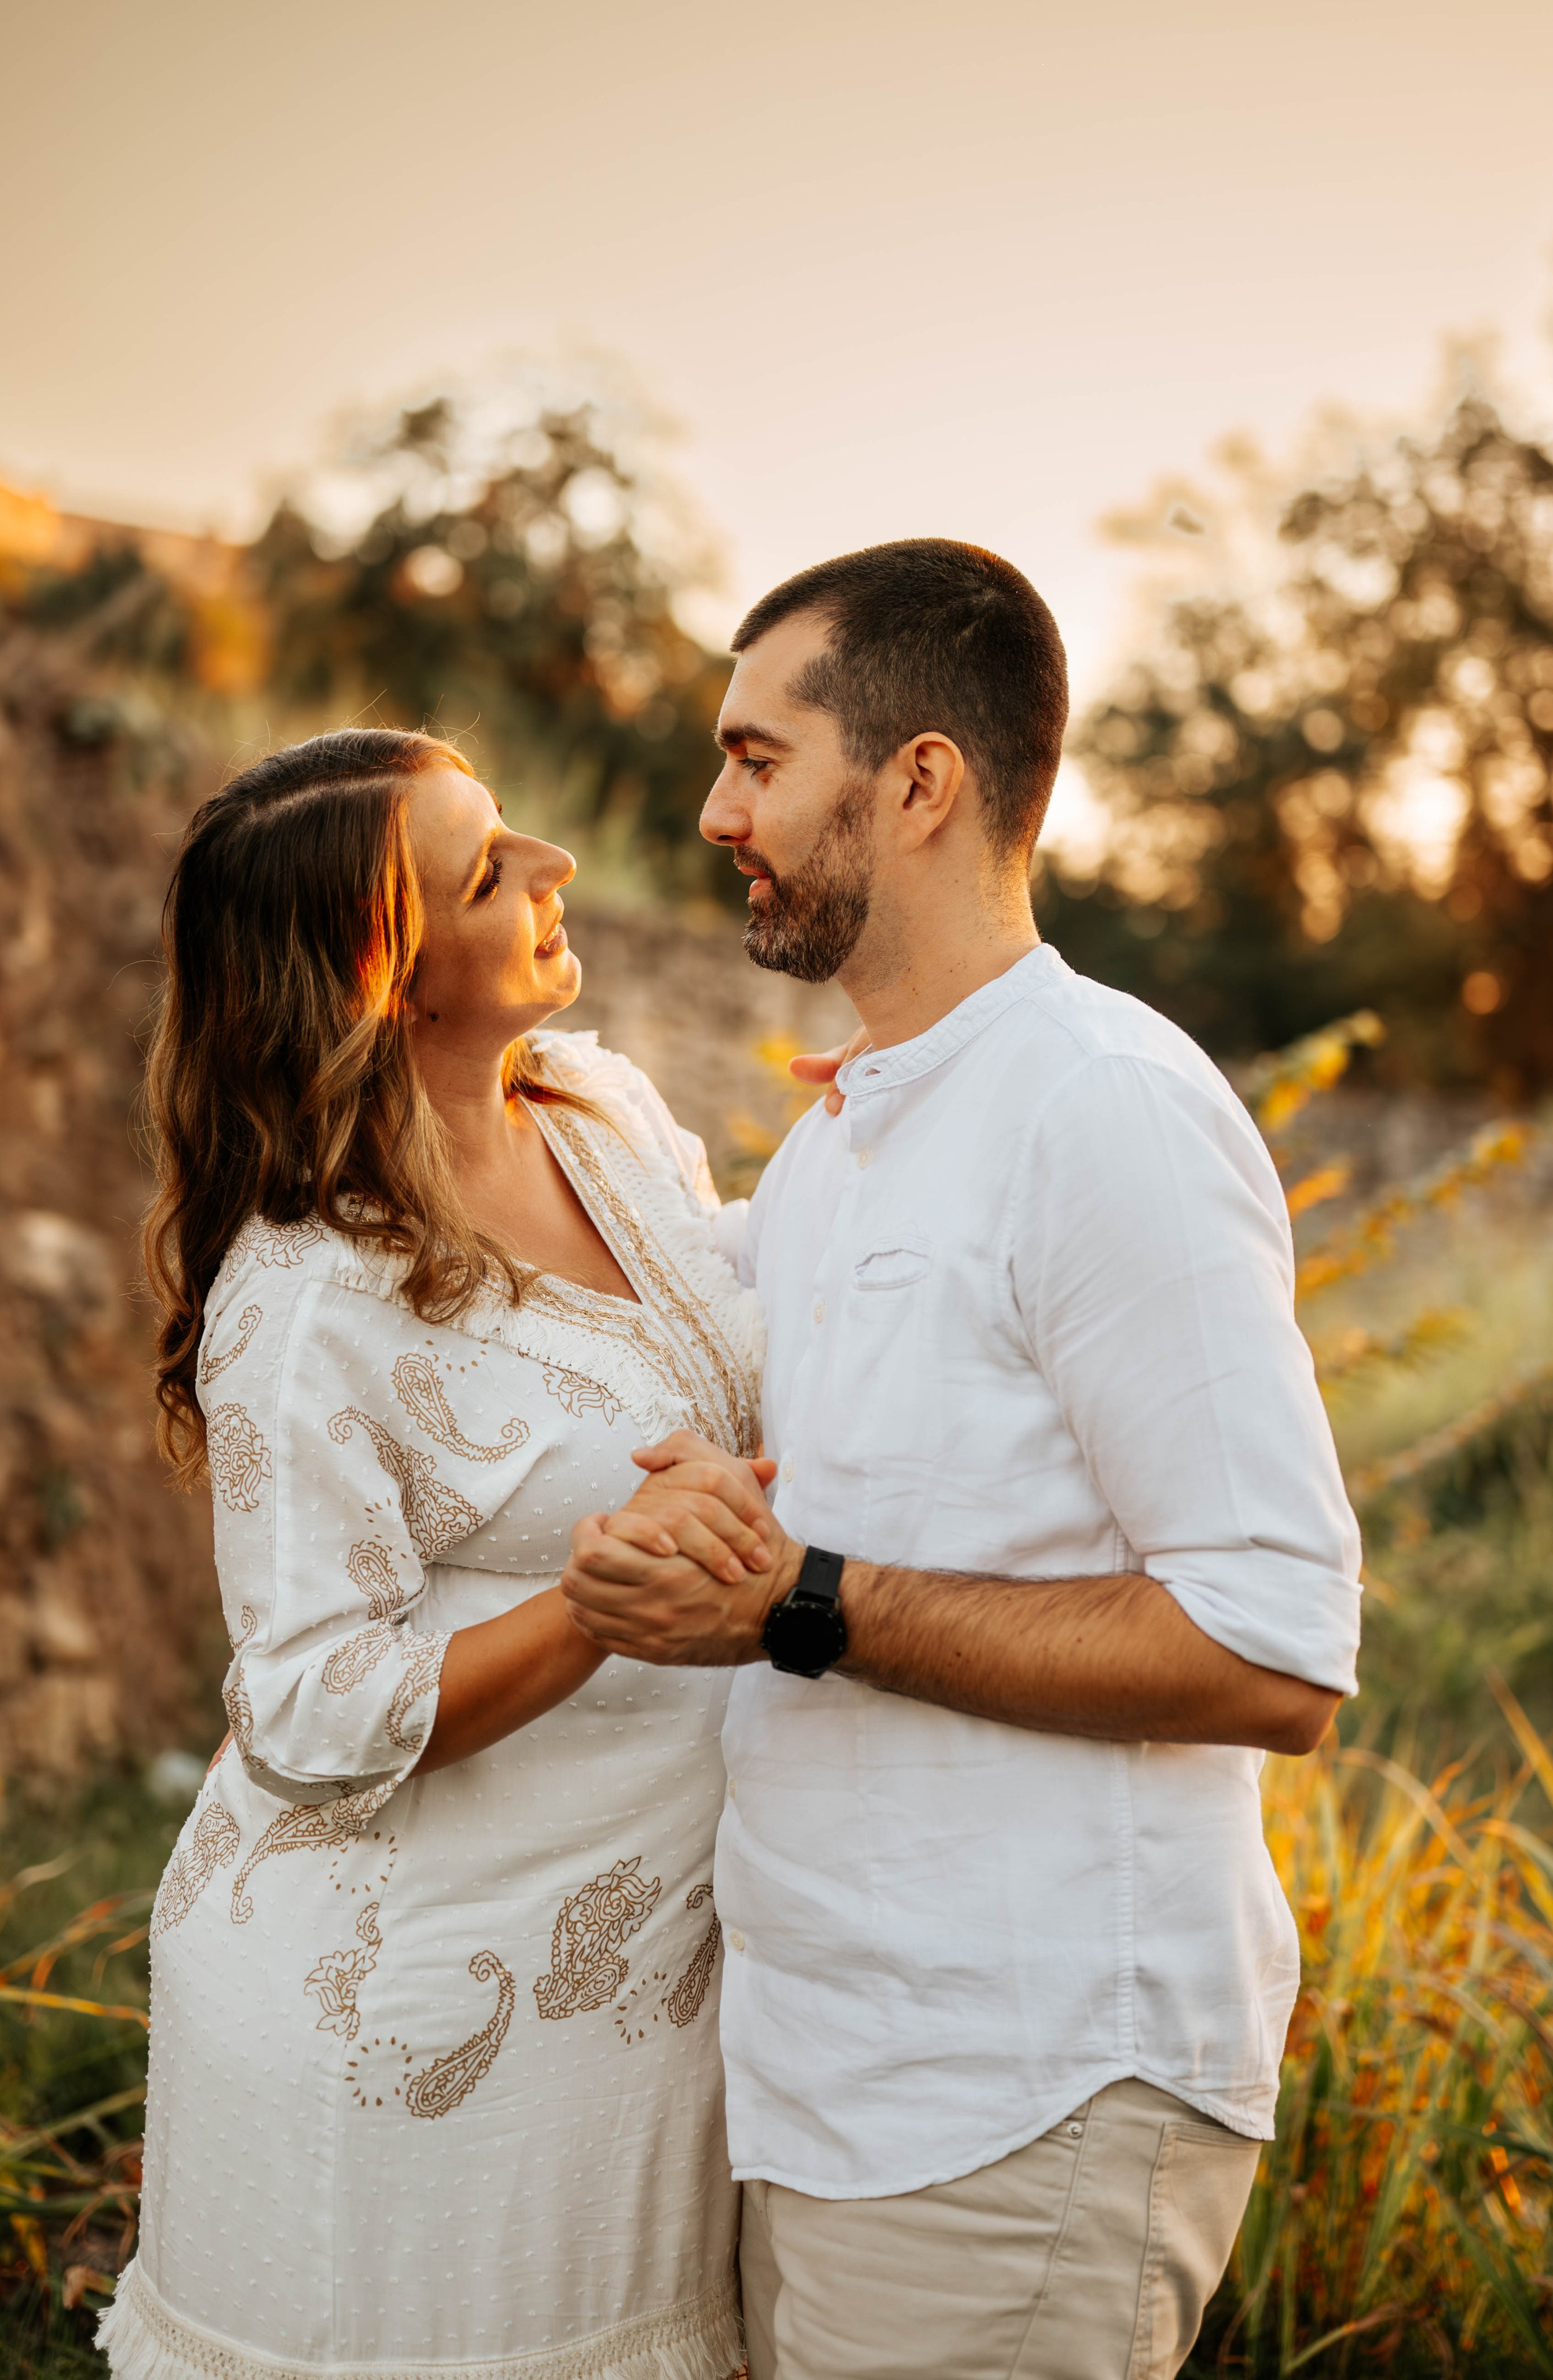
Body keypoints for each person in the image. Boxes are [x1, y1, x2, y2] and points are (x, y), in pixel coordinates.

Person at [561, 541, 1364, 2380]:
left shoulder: (1106, 1108)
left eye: (760, 757)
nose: (713, 810)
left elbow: (1275, 1646)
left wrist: (805, 1606)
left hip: (1025, 2093)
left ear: (919, 780)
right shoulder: (847, 1144)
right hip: (824, 2085)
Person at [100, 728, 795, 2380]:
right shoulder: (306, 1298)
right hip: (408, 2015)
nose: (555, 864)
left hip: (638, 1980)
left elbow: (739, 1329)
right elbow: (310, 1709)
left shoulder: (601, 1110)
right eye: (489, 869)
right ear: (389, 981)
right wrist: (593, 1602)